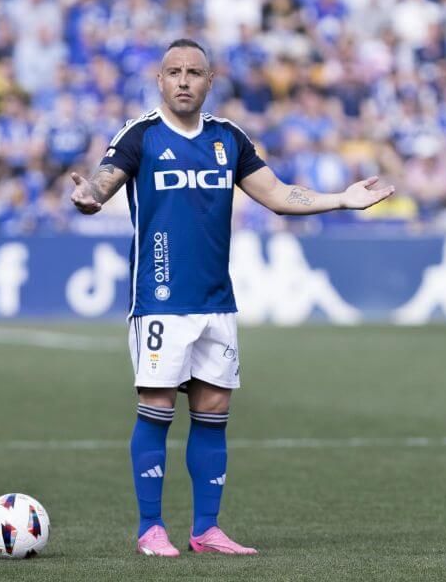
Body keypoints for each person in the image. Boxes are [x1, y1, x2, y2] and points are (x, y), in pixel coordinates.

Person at [69, 39, 394, 557]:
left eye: (193, 72)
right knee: (155, 406)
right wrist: (89, 196)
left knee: (214, 409)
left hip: (217, 301)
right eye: (173, 71)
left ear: (209, 81)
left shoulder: (228, 139)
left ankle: (206, 529)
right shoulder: (140, 135)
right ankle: (150, 528)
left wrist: (341, 199)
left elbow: (279, 194)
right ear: (159, 80)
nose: (182, 80)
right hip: (160, 299)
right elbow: (103, 183)